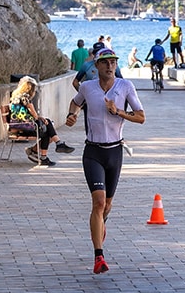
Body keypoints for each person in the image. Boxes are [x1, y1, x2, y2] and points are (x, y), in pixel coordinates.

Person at [64, 48, 145, 275]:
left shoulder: (125, 86)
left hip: (114, 152)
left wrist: (118, 111)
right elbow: (75, 102)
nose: (110, 66)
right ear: (96, 66)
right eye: (105, 62)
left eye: (113, 62)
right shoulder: (87, 87)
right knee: (98, 202)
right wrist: (72, 115)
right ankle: (99, 256)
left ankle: (101, 224)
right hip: (93, 152)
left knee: (107, 205)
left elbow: (141, 117)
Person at [9, 76, 75, 166]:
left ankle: (49, 151)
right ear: (30, 88)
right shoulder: (25, 97)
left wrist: (40, 118)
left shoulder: (16, 96)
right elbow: (34, 114)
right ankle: (56, 146)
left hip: (18, 125)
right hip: (24, 127)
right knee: (47, 129)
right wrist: (40, 118)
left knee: (46, 126)